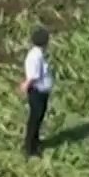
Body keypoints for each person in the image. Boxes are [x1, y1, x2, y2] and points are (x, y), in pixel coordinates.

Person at [18, 27, 54, 157]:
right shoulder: (35, 56)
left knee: (39, 117)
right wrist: (25, 86)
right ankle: (30, 148)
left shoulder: (39, 54)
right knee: (35, 118)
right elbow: (33, 76)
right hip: (37, 92)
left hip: (41, 91)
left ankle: (36, 141)